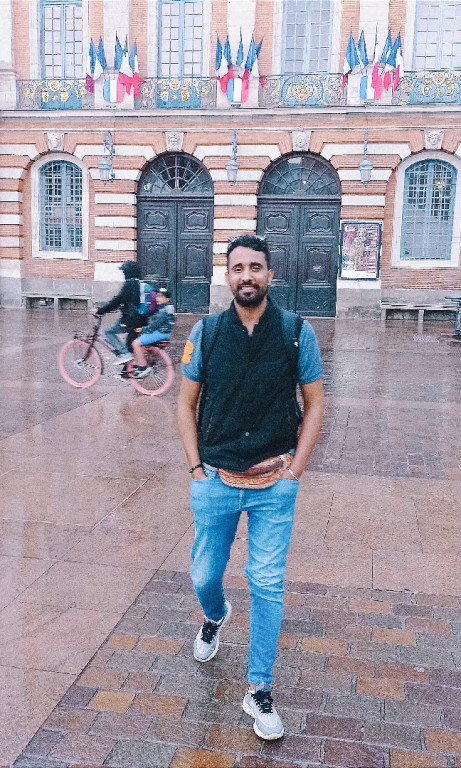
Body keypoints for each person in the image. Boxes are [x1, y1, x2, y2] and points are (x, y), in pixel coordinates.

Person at [177, 234, 324, 741]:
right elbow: (185, 403)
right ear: (227, 276)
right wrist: (196, 469)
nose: (247, 276)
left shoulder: (296, 332)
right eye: (238, 268)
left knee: (266, 583)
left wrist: (295, 470)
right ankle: (215, 615)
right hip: (215, 479)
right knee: (203, 574)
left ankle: (259, 688)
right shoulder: (207, 332)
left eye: (255, 267)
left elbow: (315, 404)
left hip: (273, 484)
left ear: (270, 275)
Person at [94, 260, 149, 365]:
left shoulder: (130, 284)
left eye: (124, 271)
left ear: (128, 272)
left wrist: (100, 311)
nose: (123, 274)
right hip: (142, 320)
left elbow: (117, 300)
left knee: (109, 332)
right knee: (129, 345)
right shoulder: (140, 283)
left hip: (130, 320)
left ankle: (124, 354)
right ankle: (129, 369)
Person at [132, 288, 176, 379]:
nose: (158, 298)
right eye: (157, 296)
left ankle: (142, 367)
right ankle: (150, 361)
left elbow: (153, 326)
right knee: (144, 341)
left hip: (160, 333)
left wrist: (143, 329)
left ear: (168, 299)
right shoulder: (170, 308)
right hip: (166, 333)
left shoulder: (163, 311)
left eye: (161, 296)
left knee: (135, 343)